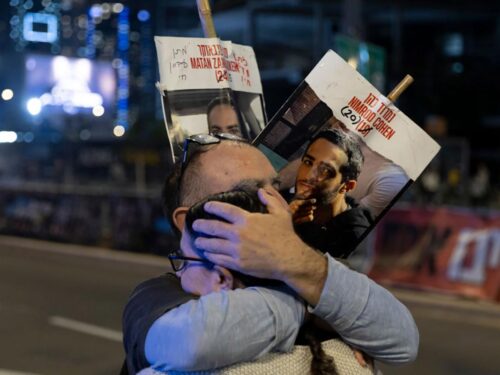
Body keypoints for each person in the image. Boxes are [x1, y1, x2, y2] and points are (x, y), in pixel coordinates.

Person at [122, 136, 419, 374]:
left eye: (275, 187)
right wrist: (310, 306)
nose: (277, 201)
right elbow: (190, 341)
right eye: (251, 192)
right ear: (188, 221)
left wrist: (299, 263)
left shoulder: (301, 265)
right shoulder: (159, 294)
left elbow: (402, 341)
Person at [290, 129, 373, 258]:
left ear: (347, 186)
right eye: (308, 162)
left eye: (325, 170)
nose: (308, 176)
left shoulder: (355, 241)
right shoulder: (283, 201)